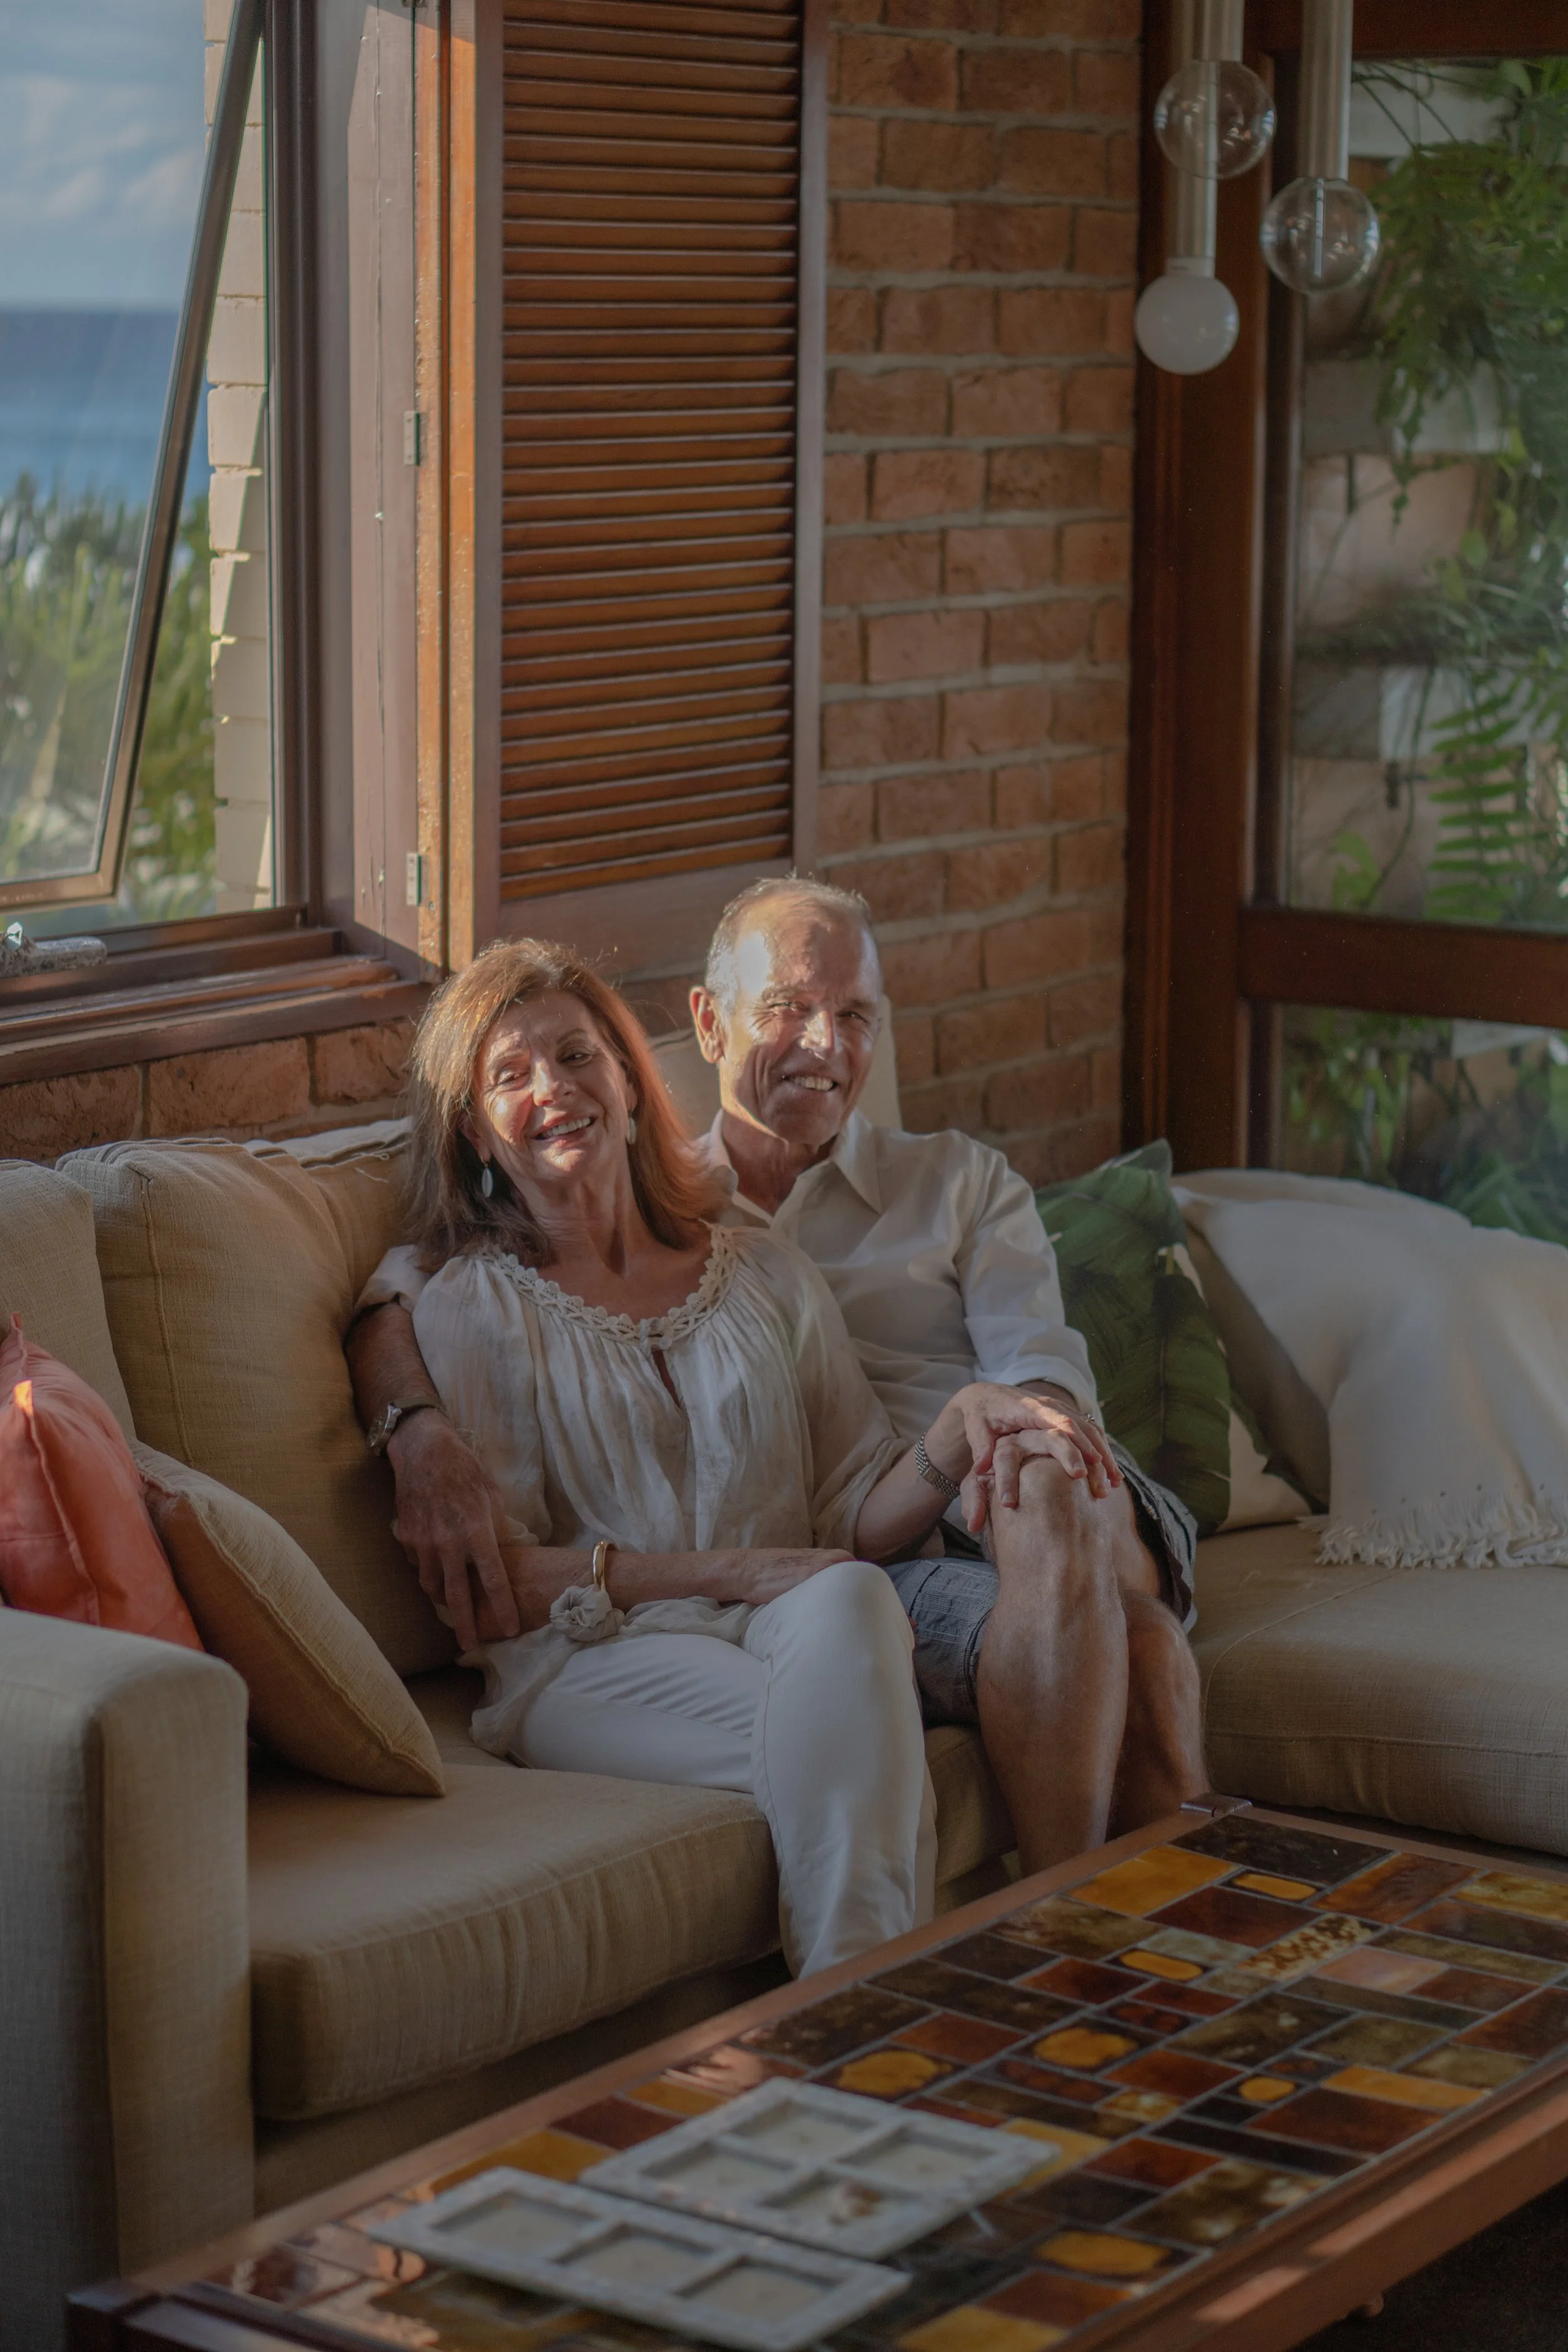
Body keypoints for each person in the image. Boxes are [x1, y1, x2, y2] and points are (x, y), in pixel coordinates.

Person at [349, 886, 1208, 1878]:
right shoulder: (660, 1199)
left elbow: (1042, 1385)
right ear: (709, 1025)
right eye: (789, 1008)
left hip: (1015, 1493)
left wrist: (990, 1436)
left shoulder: (955, 1182)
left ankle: (1078, 1918)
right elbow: (407, 1286)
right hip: (878, 1547)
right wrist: (413, 1424)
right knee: (1140, 1646)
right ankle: (1108, 1931)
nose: (825, 1044)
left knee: (1042, 1477)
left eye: (854, 1015)